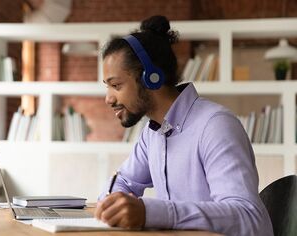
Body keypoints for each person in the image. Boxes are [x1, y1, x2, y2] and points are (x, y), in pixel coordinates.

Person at [94, 15, 273, 236]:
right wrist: (114, 206)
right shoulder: (152, 134)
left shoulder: (215, 126)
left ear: (151, 78)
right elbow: (122, 181)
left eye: (116, 85)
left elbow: (248, 217)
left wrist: (151, 212)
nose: (108, 99)